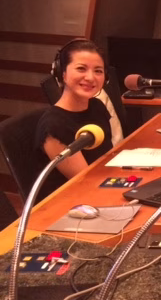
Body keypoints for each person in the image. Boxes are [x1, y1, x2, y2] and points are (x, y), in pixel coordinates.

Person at [35, 39, 113, 190]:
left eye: (98, 71)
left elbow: (107, 158)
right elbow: (86, 181)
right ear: (62, 73)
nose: (90, 77)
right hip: (76, 199)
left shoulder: (97, 107)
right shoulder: (54, 126)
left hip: (103, 182)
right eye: (81, 69)